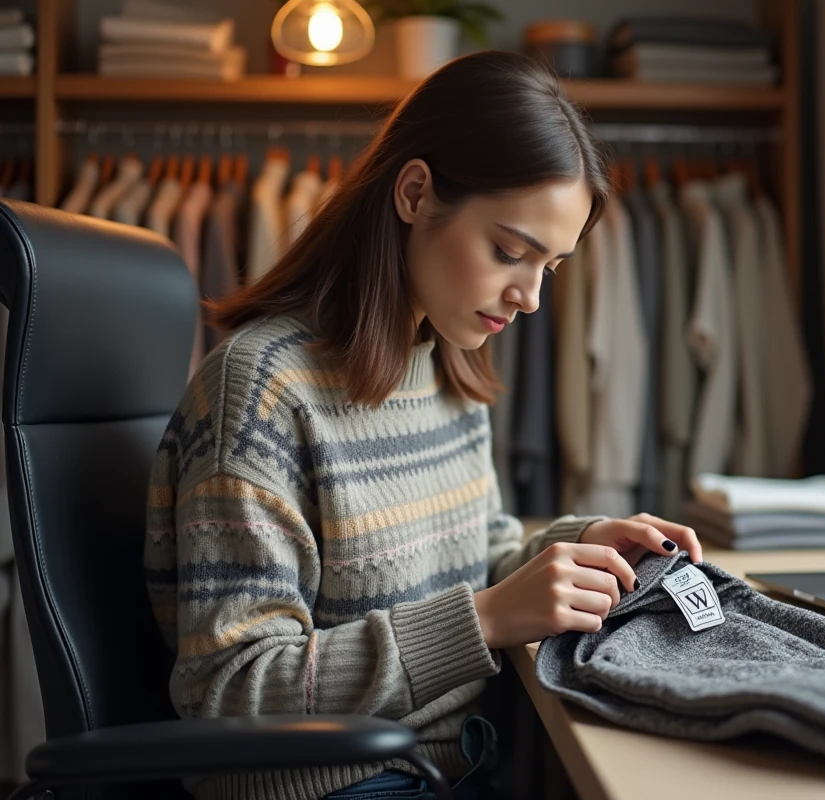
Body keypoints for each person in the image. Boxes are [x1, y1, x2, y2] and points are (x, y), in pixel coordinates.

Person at [143, 51, 704, 800]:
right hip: (332, 786)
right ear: (415, 194)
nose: (531, 297)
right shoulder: (260, 393)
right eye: (509, 252)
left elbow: (478, 556)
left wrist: (577, 548)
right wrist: (485, 619)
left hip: (453, 766)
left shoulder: (446, 364)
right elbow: (230, 688)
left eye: (549, 266)